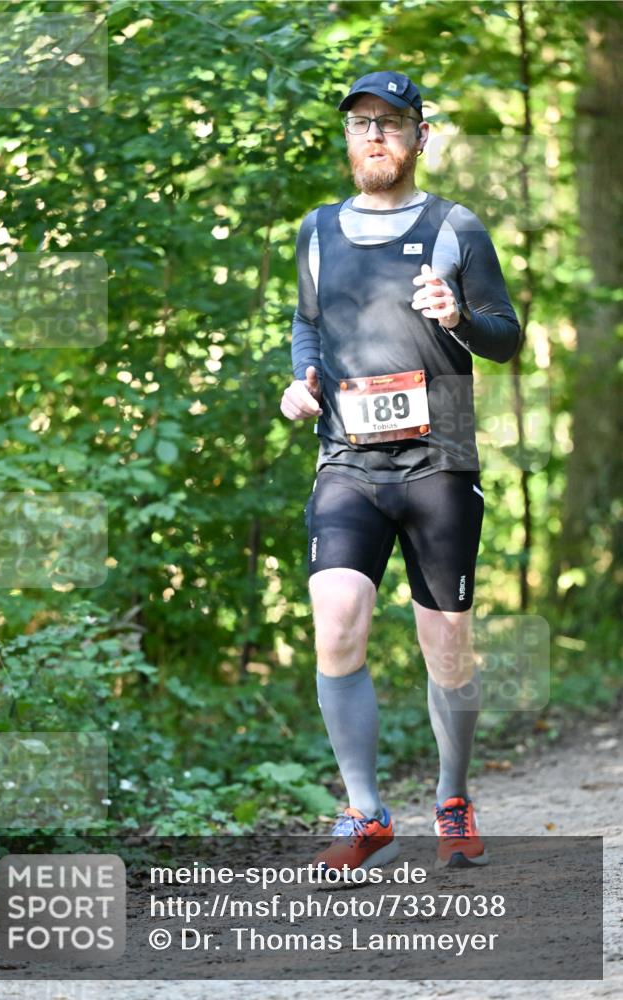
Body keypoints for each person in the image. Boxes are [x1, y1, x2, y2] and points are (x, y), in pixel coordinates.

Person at [280, 71, 521, 872]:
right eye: (360, 125)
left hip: (439, 464)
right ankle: (364, 811)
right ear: (349, 139)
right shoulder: (316, 230)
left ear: (421, 135)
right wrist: (299, 379)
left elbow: (506, 335)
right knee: (337, 618)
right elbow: (306, 324)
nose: (373, 136)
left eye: (390, 123)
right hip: (347, 461)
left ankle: (452, 799)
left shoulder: (457, 226)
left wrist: (460, 316)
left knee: (445, 647)